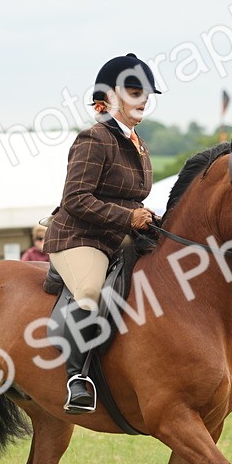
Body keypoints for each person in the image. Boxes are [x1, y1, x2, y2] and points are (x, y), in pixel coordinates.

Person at [42, 53, 159, 413]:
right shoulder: (94, 138)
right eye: (134, 91)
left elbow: (132, 200)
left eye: (145, 93)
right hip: (78, 236)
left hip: (115, 235)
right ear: (108, 97)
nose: (142, 99)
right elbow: (76, 199)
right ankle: (77, 378)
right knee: (90, 292)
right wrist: (129, 217)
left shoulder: (137, 143)